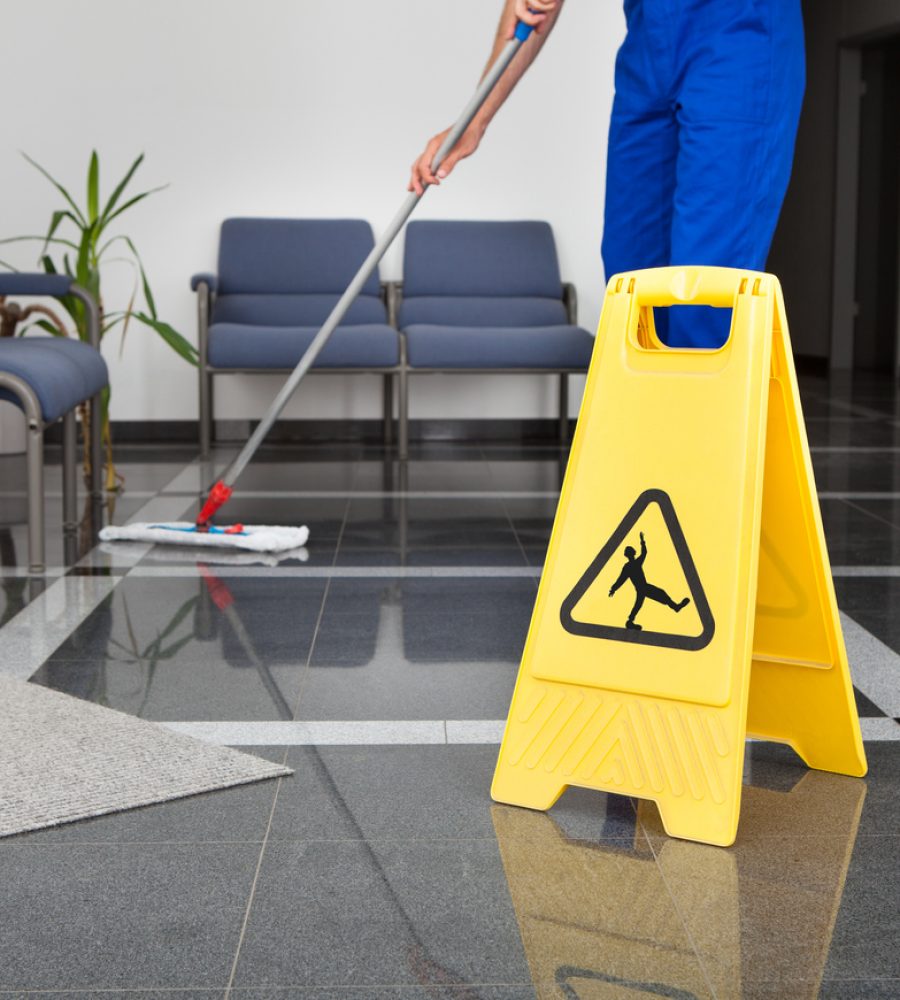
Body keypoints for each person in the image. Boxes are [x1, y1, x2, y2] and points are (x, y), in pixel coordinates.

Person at [409, 0, 805, 349]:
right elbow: (531, 9)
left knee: (706, 290)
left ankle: (702, 431)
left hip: (739, 34)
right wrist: (475, 121)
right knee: (631, 278)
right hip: (649, 43)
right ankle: (646, 430)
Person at [608, 532, 690, 631]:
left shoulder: (632, 564)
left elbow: (643, 554)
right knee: (658, 595)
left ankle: (630, 621)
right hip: (643, 587)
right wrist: (613, 589)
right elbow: (621, 580)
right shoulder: (631, 566)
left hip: (642, 588)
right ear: (631, 554)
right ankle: (675, 607)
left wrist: (642, 542)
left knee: (639, 604)